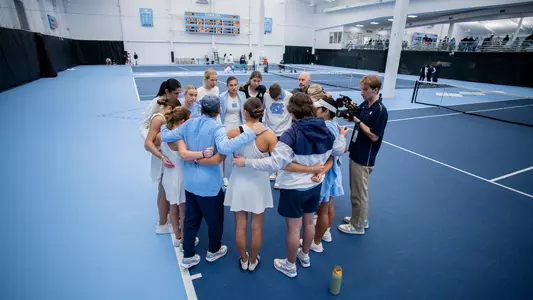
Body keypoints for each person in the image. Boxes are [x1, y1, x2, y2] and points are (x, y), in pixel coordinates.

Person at [232, 93, 349, 278]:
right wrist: (341, 137)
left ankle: (290, 265)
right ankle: (305, 255)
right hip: (314, 186)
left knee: (294, 229)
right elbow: (338, 151)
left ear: (291, 111)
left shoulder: (290, 134)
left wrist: (246, 162)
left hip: (293, 189)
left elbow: (274, 164)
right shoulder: (327, 130)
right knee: (309, 222)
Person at [160, 95, 267, 269]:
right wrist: (250, 133)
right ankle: (213, 250)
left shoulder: (188, 124)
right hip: (210, 185)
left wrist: (164, 123)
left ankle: (188, 256)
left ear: (201, 109)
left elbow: (166, 136)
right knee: (214, 221)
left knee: (190, 220)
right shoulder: (218, 127)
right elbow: (225, 148)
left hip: (190, 183)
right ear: (218, 110)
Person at [224, 97, 277, 272]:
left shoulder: (233, 133)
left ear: (244, 113)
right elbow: (276, 163)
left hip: (238, 183)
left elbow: (222, 149)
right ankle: (253, 262)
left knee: (240, 225)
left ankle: (244, 259)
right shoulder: (269, 136)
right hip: (259, 185)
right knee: (256, 227)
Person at [339, 75, 388, 235]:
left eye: (365, 90)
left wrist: (358, 122)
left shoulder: (380, 111)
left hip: (364, 157)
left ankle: (357, 226)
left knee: (359, 193)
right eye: (361, 89)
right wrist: (351, 104)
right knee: (357, 190)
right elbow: (358, 112)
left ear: (375, 90)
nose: (362, 93)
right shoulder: (366, 104)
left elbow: (374, 136)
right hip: (356, 151)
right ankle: (361, 219)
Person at [143, 90, 181, 235]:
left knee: (163, 192)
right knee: (164, 193)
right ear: (171, 109)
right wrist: (161, 157)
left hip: (163, 159)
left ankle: (163, 222)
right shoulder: (159, 119)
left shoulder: (165, 119)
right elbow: (148, 143)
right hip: (162, 161)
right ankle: (162, 224)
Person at [160, 107, 193, 247]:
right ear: (182, 121)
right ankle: (185, 240)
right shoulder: (180, 138)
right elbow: (187, 157)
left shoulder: (163, 133)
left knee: (173, 208)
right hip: (180, 177)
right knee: (183, 211)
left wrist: (162, 157)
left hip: (168, 177)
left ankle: (178, 237)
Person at [263, 83, 293, 188]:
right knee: (271, 153)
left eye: (276, 98)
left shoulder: (289, 97)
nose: (274, 99)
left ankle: (280, 176)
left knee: (282, 154)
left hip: (284, 131)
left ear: (280, 93)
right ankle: (274, 172)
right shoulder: (266, 96)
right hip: (270, 130)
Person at [219, 76, 247, 187]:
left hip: (239, 127)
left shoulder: (242, 95)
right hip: (226, 127)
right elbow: (220, 114)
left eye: (235, 85)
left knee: (239, 153)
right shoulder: (222, 97)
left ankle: (238, 176)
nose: (234, 87)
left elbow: (244, 111)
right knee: (226, 154)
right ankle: (225, 177)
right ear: (227, 86)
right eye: (231, 85)